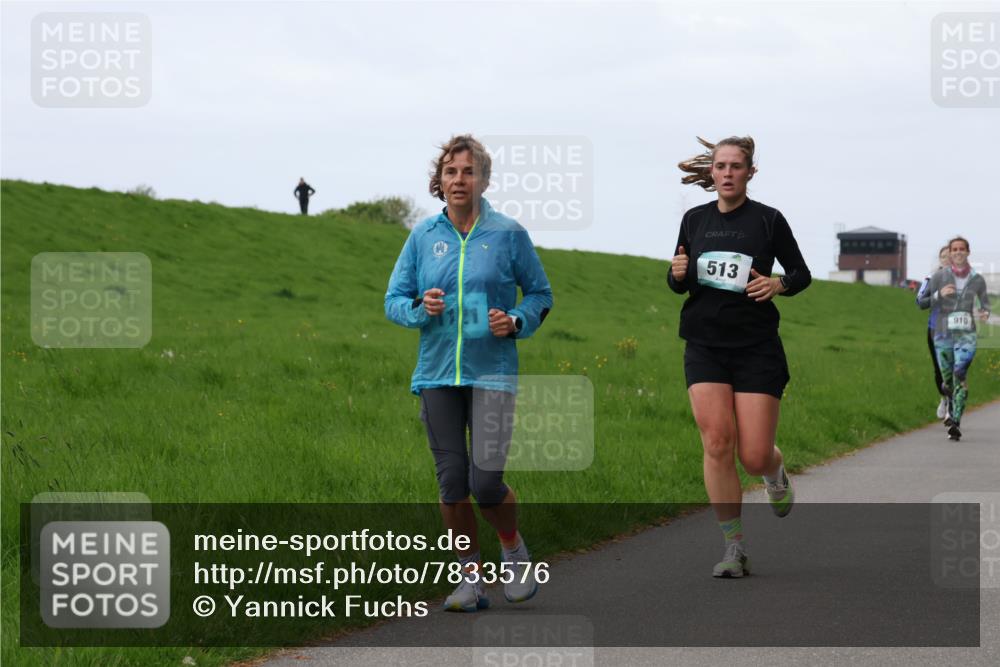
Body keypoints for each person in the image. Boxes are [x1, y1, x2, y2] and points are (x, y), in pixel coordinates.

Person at [385, 134, 553, 611]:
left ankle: (513, 550)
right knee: (452, 483)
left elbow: (540, 295)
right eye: (451, 172)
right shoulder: (423, 236)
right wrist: (420, 308)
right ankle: (470, 581)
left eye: (469, 171)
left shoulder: (508, 234)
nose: (460, 180)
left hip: (492, 375)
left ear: (484, 179)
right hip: (437, 375)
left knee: (485, 483)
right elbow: (393, 300)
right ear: (439, 181)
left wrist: (516, 320)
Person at [667, 136, 811, 578]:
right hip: (705, 344)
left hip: (756, 348)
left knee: (752, 455)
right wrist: (673, 275)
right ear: (710, 173)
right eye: (721, 166)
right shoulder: (694, 219)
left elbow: (801, 274)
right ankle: (734, 547)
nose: (728, 173)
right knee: (716, 442)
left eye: (736, 166)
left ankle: (774, 471)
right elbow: (680, 279)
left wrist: (777, 285)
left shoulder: (768, 220)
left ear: (750, 172)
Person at [917, 236, 991, 441]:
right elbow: (921, 303)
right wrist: (939, 295)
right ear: (949, 254)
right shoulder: (937, 277)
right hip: (941, 334)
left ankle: (956, 421)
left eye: (962, 249)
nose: (958, 253)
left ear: (968, 252)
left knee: (959, 373)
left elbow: (985, 303)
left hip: (965, 334)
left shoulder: (976, 279)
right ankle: (948, 403)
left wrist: (984, 312)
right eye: (954, 249)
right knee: (947, 381)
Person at [916, 246, 952, 420]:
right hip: (935, 329)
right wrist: (938, 295)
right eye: (944, 256)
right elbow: (920, 302)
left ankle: (953, 410)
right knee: (939, 370)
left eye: (950, 255)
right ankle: (944, 399)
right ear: (940, 259)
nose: (947, 259)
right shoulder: (931, 278)